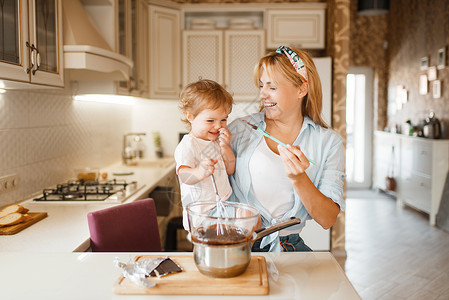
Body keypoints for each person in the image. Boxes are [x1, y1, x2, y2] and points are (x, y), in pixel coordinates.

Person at [228, 45, 345, 252]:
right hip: (238, 244)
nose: (263, 95)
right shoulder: (240, 129)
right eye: (261, 86)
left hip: (290, 247)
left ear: (301, 89)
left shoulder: (328, 143)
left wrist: (300, 179)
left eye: (272, 88)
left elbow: (327, 219)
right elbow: (210, 190)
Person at [175, 79, 235, 230]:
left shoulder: (216, 141)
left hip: (223, 206)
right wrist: (199, 172)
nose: (218, 126)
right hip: (202, 215)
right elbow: (184, 176)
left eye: (223, 119)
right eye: (210, 120)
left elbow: (230, 169)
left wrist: (226, 147)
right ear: (190, 117)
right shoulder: (188, 145)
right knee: (206, 249)